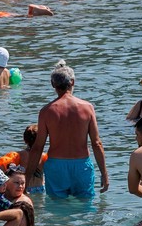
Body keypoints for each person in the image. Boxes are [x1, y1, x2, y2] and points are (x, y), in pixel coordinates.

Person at [26, 61, 109, 199]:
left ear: (53, 85)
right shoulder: (87, 108)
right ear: (73, 82)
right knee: (85, 207)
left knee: (57, 210)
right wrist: (104, 174)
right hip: (81, 165)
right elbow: (96, 143)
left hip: (56, 166)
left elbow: (38, 147)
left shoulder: (46, 111)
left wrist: (26, 179)